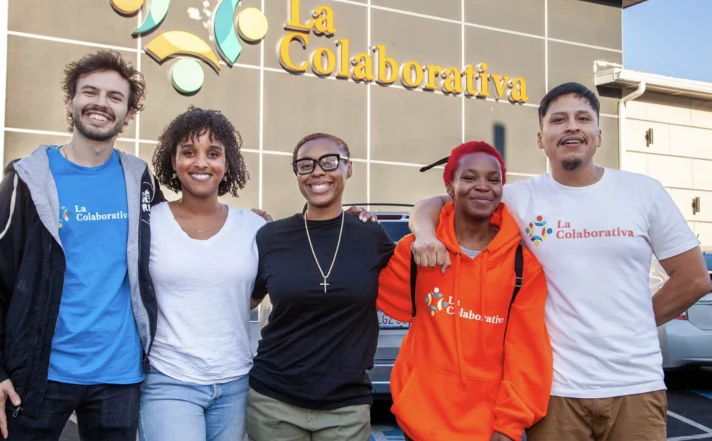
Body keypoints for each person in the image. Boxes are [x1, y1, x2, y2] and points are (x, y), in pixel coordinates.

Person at [407, 82, 711, 440]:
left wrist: (637, 324)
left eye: (583, 118)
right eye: (558, 120)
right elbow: (438, 202)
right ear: (541, 138)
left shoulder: (643, 192)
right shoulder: (518, 199)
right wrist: (424, 235)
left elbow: (694, 279)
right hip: (554, 392)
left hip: (636, 386)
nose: (571, 126)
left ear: (598, 134)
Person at [0, 50, 162, 441]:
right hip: (38, 373)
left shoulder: (140, 180)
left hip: (120, 375)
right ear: (70, 100)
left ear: (129, 113)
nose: (100, 103)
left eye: (115, 96)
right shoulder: (27, 181)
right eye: (89, 92)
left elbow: (175, 242)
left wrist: (246, 226)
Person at [376, 141, 552, 441]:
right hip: (419, 424)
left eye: (493, 179)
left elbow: (528, 354)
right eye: (469, 177)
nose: (482, 186)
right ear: (450, 187)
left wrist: (509, 424)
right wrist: (354, 224)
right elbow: (359, 285)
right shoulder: (418, 253)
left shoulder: (523, 266)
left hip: (488, 430)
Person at [246, 133, 396, 441]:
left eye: (329, 161)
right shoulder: (271, 237)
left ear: (348, 168)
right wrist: (236, 227)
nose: (317, 171)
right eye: (305, 164)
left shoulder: (372, 237)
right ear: (297, 174)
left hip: (346, 407)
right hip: (274, 402)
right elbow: (245, 299)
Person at [138, 107, 270, 441]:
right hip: (168, 379)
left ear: (227, 164)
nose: (200, 163)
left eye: (213, 153)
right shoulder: (148, 223)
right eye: (188, 152)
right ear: (173, 161)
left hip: (236, 382)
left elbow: (251, 297)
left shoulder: (254, 227)